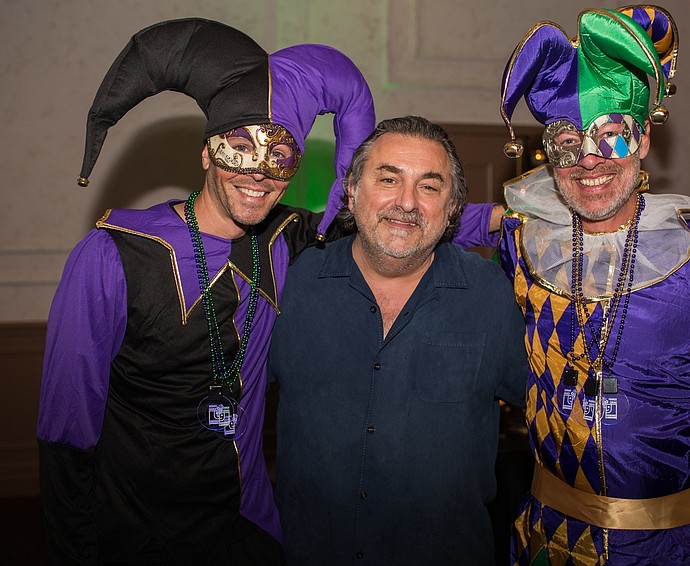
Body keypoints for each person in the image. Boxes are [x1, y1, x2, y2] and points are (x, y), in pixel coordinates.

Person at [36, 19, 498, 564]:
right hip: (135, 539)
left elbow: (398, 218)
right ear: (206, 152)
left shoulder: (285, 240)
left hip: (247, 535)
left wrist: (510, 219)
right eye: (239, 148)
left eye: (279, 155)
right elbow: (66, 436)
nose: (259, 173)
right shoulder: (112, 256)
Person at [492, 6, 690, 565]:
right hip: (549, 541)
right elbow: (453, 222)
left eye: (611, 136)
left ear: (644, 139)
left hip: (678, 548)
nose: (590, 161)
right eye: (567, 142)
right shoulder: (524, 246)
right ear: (548, 156)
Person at [267, 115, 528, 565]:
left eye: (429, 186)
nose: (406, 203)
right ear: (351, 190)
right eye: (388, 179)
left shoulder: (494, 295)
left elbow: (562, 418)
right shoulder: (290, 282)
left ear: (452, 209)